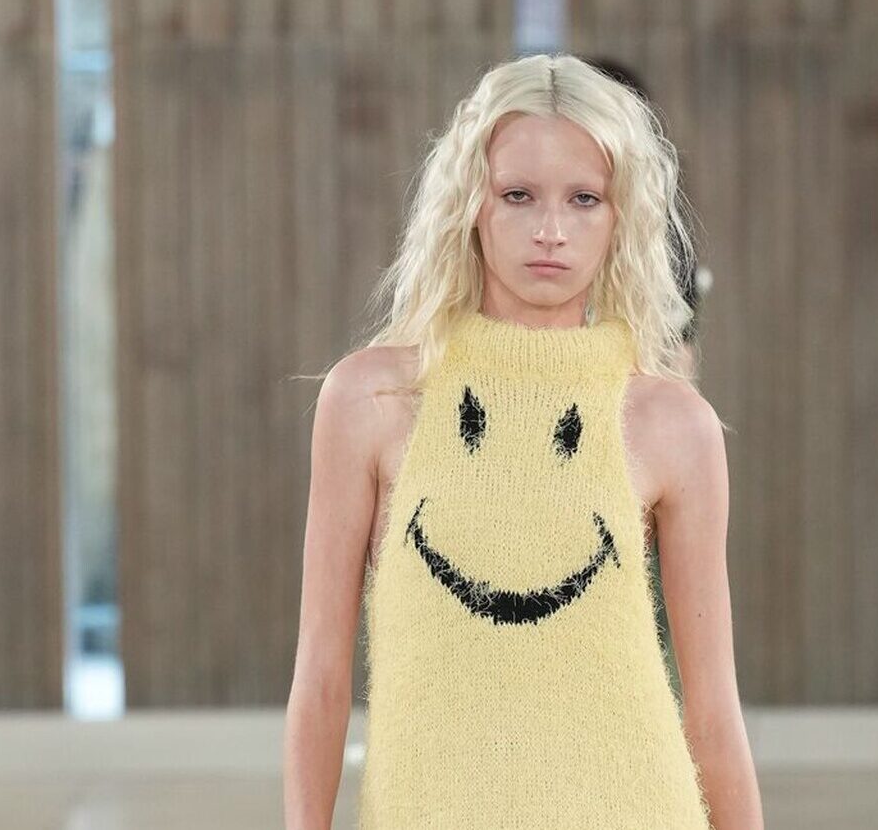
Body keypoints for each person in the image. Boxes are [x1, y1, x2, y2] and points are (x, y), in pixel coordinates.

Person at [284, 52, 763, 829]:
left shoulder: (673, 424)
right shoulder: (371, 399)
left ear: (620, 215)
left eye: (584, 199)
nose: (550, 230)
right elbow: (321, 675)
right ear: (470, 202)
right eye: (518, 195)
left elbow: (711, 708)